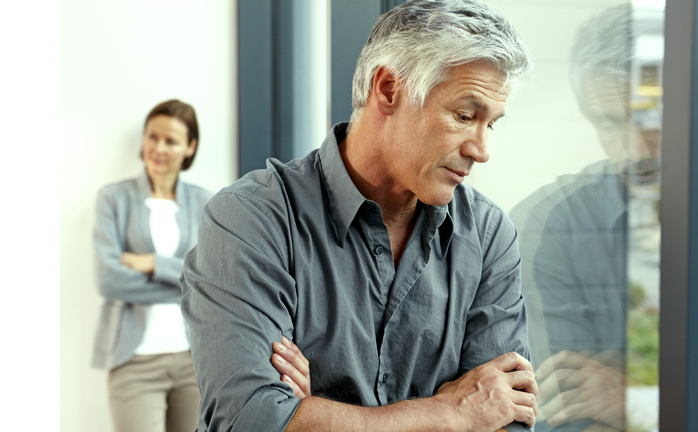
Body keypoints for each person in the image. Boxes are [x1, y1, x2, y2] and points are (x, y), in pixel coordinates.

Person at [180, 1, 537, 431]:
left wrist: (315, 415)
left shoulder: (488, 234)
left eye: (490, 124)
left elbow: (505, 418)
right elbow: (250, 418)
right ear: (387, 89)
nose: (480, 150)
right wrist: (452, 412)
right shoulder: (251, 219)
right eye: (464, 116)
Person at [508, 4, 663, 431]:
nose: (635, 152)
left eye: (651, 120)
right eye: (609, 124)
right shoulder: (549, 227)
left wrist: (644, 401)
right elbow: (572, 417)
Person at [91, 99, 213, 432]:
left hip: (194, 360)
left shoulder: (204, 202)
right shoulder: (114, 200)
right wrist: (182, 281)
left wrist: (151, 263)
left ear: (190, 147)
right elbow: (108, 280)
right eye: (152, 137)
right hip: (134, 361)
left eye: (171, 141)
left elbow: (211, 278)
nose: (158, 148)